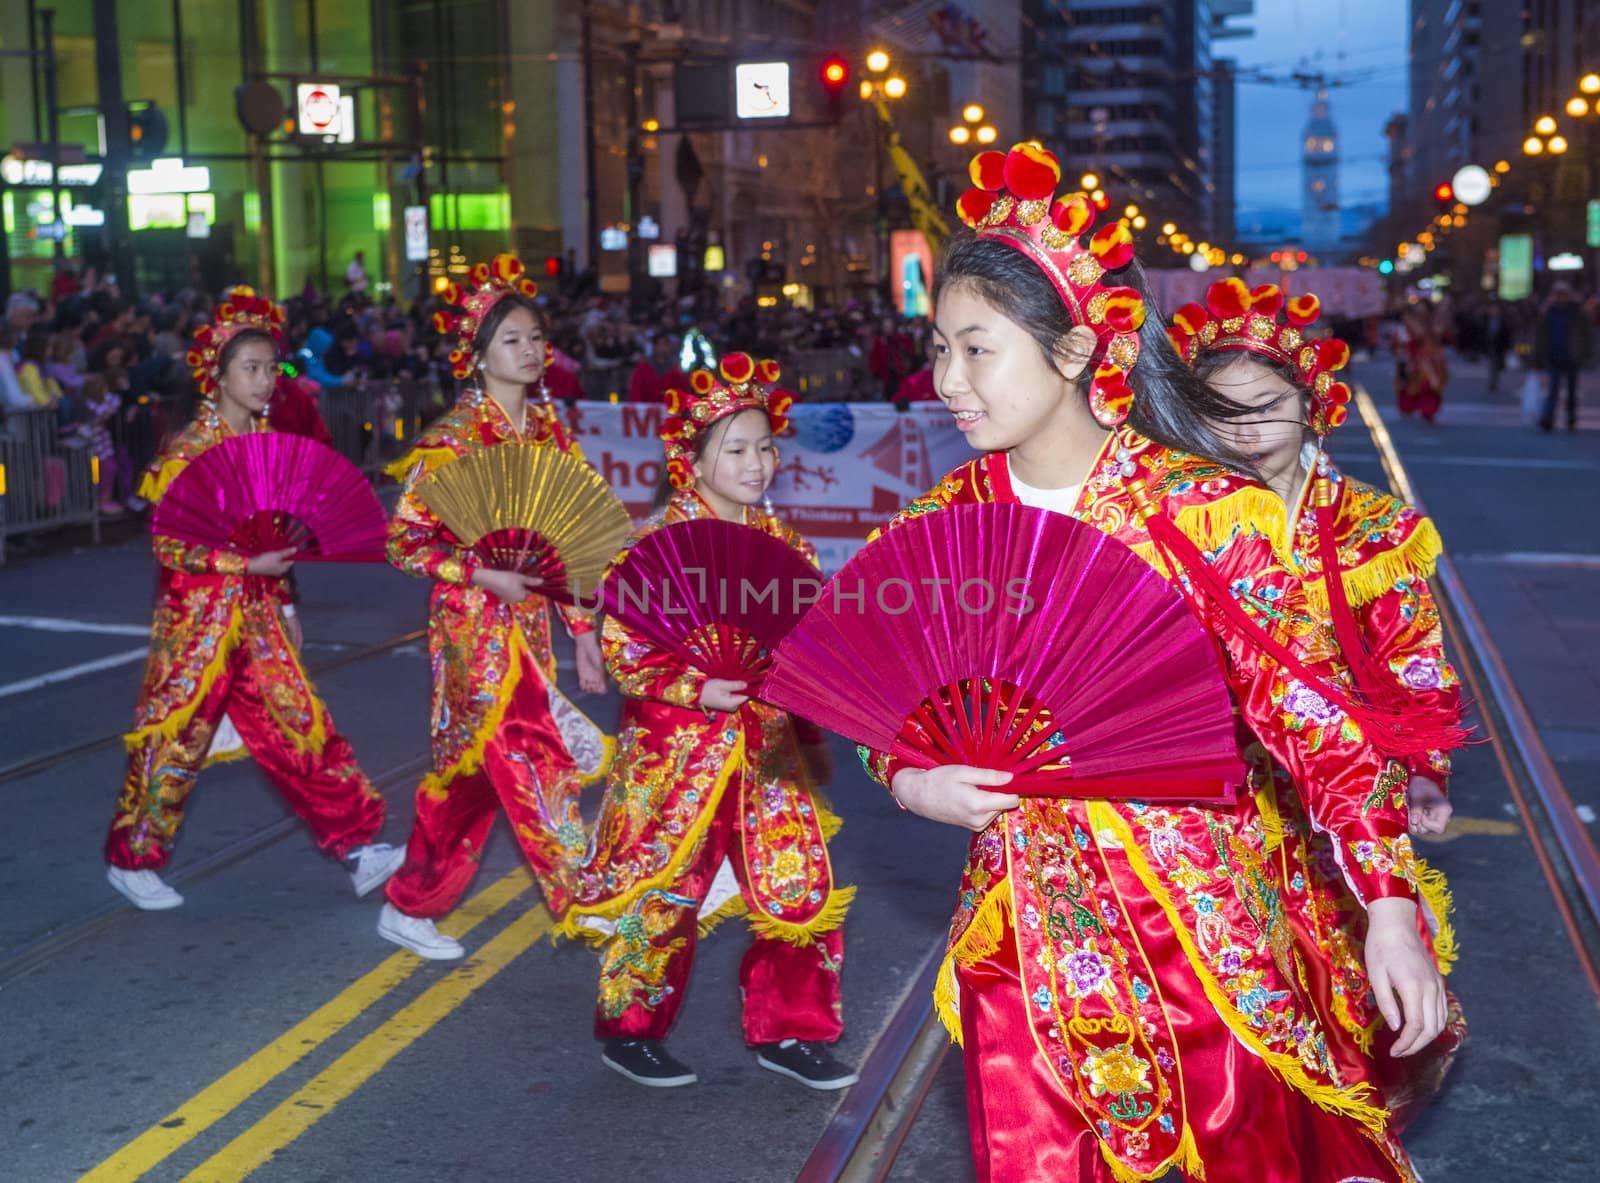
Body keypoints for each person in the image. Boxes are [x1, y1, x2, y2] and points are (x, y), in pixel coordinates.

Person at [859, 144, 1452, 1183]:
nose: (946, 379)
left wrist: (1390, 908)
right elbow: (885, 699)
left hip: (1204, 926)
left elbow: (1315, 722)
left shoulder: (1202, 514)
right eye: (937, 349)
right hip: (1025, 930)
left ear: (1079, 348)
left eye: (975, 348)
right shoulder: (943, 525)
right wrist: (908, 778)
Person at [1171, 278, 1466, 1131]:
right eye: (1221, 413)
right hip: (1210, 804)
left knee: (1346, 1001)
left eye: (1266, 407)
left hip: (1341, 795)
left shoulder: (1373, 527)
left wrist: (1420, 771)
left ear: (1312, 404)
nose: (1245, 431)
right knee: (1226, 1019)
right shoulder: (1176, 520)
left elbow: (1415, 666)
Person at [559, 353, 857, 1092]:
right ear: (689, 461)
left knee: (798, 891)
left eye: (765, 447)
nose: (757, 463)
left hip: (767, 757)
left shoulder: (788, 548)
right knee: (665, 893)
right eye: (736, 449)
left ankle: (792, 1031)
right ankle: (631, 1032)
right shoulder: (650, 545)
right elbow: (626, 655)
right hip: (676, 757)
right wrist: (696, 685)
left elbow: (809, 646)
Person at [104, 288, 401, 911]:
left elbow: (277, 540)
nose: (266, 380)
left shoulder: (267, 445)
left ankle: (356, 846)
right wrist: (245, 563)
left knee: (300, 725)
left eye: (272, 367)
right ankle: (132, 859)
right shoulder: (189, 450)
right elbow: (172, 549)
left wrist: (287, 604)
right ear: (217, 378)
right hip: (196, 626)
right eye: (251, 368)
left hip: (260, 619)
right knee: (174, 742)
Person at [378, 254, 609, 960]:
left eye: (537, 337)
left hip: (531, 628)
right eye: (512, 339)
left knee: (470, 779)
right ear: (476, 358)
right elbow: (403, 544)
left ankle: (411, 902)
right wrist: (476, 570)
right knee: (531, 751)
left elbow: (571, 538)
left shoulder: (551, 434)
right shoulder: (450, 444)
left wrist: (583, 633)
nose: (531, 350)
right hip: (471, 629)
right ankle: (589, 898)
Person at [1534, 282, 1592, 432]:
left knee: (1572, 391)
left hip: (1572, 356)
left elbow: (1587, 335)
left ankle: (1571, 418)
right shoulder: (1548, 312)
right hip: (1554, 355)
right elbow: (1540, 336)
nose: (1560, 297)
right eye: (1558, 294)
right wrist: (1539, 354)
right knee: (1553, 390)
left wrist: (1586, 354)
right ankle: (1548, 418)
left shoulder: (1577, 313)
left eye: (1563, 294)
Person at [1394, 306, 1447, 423]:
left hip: (1429, 361)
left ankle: (1428, 410)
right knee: (1409, 385)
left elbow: (1437, 341)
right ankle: (1409, 407)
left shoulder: (1431, 325)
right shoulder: (1407, 329)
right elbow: (1403, 345)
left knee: (1429, 387)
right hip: (1414, 361)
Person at [627, 331, 686, 403]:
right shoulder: (643, 367)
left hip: (669, 410)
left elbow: (681, 391)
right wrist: (637, 407)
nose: (662, 348)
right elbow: (635, 390)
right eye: (659, 345)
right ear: (654, 346)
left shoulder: (675, 368)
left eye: (664, 345)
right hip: (646, 409)